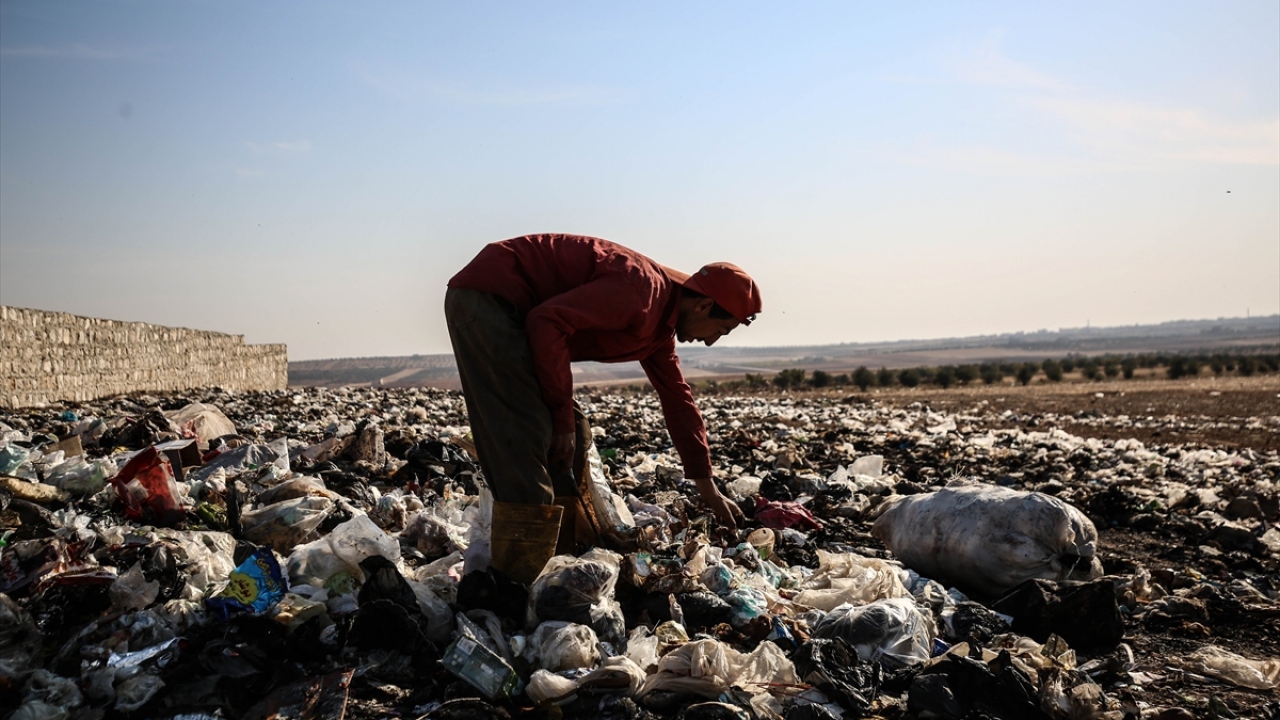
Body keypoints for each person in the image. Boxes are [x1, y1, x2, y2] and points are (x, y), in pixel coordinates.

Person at [445, 233, 761, 583]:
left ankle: (561, 557)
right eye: (721, 330)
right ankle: (520, 584)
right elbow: (547, 321)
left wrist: (709, 490)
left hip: (519, 316)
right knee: (526, 436)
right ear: (703, 306)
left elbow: (678, 400)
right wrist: (560, 421)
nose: (711, 341)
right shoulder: (640, 293)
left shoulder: (659, 328)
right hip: (491, 299)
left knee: (575, 436)